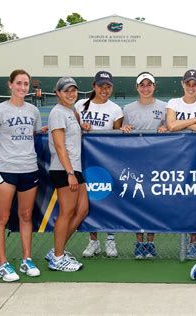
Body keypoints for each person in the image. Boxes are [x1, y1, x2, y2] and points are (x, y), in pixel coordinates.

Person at [0, 69, 42, 282]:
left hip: (29, 170)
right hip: (6, 172)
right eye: (19, 83)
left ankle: (27, 260)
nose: (22, 87)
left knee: (26, 216)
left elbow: (33, 135)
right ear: (10, 85)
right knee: (2, 218)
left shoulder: (34, 111)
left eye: (26, 84)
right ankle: (2, 264)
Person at [74, 70, 123, 258]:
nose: (104, 89)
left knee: (109, 198)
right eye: (101, 85)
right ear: (94, 86)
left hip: (107, 162)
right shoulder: (80, 105)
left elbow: (118, 138)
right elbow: (72, 127)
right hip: (85, 159)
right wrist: (81, 126)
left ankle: (110, 239)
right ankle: (93, 241)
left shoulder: (116, 110)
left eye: (108, 86)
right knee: (90, 199)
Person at [166, 69, 196, 260]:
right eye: (188, 83)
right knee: (175, 197)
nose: (191, 87)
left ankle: (193, 243)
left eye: (195, 84)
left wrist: (181, 123)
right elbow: (171, 125)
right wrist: (194, 120)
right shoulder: (173, 103)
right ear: (182, 84)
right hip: (175, 157)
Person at [120, 71, 167, 259]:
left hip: (157, 161)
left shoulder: (165, 107)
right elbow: (122, 130)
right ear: (137, 87)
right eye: (142, 85)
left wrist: (167, 128)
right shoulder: (128, 109)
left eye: (149, 84)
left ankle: (151, 243)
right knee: (137, 201)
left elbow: (172, 127)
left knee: (152, 201)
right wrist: (124, 128)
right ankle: (139, 243)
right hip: (135, 161)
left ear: (154, 86)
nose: (146, 88)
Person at [46, 77, 88, 272]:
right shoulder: (57, 113)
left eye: (73, 90)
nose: (71, 94)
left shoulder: (71, 111)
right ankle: (58, 257)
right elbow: (59, 146)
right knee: (67, 213)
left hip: (74, 168)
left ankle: (56, 250)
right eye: (66, 91)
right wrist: (70, 172)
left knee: (82, 210)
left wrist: (83, 126)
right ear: (58, 93)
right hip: (64, 170)